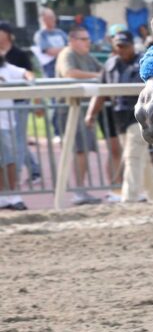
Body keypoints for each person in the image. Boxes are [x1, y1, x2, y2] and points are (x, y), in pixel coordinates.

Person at [85, 31, 153, 204]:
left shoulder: (145, 62)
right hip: (119, 117)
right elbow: (101, 91)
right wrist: (91, 114)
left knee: (132, 157)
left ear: (131, 45)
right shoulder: (110, 64)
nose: (121, 49)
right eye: (118, 46)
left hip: (142, 116)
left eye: (124, 46)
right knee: (142, 159)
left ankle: (130, 198)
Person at [55, 27, 104, 205]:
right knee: (78, 150)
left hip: (84, 110)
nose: (87, 42)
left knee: (83, 150)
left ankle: (81, 189)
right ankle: (78, 191)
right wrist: (97, 76)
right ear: (72, 40)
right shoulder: (67, 54)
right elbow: (70, 73)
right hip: (69, 109)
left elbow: (104, 71)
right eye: (83, 39)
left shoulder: (88, 56)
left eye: (88, 39)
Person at [0, 21, 41, 184]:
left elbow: (27, 72)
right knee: (16, 142)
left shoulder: (18, 55)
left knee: (16, 141)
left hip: (19, 103)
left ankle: (15, 178)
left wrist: (35, 92)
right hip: (6, 108)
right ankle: (34, 170)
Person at [0, 54, 34, 210]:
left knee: (9, 160)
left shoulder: (6, 67)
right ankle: (7, 195)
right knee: (5, 160)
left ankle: (11, 194)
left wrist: (31, 81)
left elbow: (25, 73)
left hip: (7, 121)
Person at [33, 7, 68, 78]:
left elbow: (71, 47)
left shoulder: (61, 33)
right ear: (43, 20)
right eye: (50, 17)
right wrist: (66, 50)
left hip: (65, 67)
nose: (53, 19)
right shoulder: (40, 35)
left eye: (53, 17)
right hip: (50, 71)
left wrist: (63, 50)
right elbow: (49, 51)